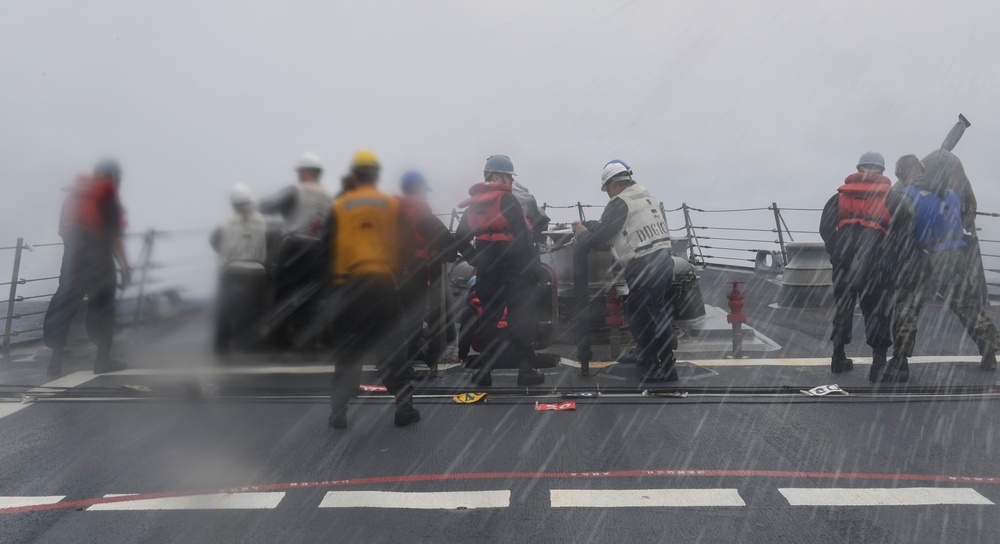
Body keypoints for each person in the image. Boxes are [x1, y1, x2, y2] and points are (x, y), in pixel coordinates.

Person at [321, 150, 420, 428]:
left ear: (354, 175)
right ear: (376, 176)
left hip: (348, 287)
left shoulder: (339, 207)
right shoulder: (390, 206)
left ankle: (338, 413)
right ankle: (404, 407)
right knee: (390, 349)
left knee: (348, 353)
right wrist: (395, 271)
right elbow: (408, 246)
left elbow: (325, 249)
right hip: (382, 286)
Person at [884, 149, 998, 381]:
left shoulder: (906, 196)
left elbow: (904, 230)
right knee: (967, 306)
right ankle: (988, 352)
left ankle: (900, 362)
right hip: (955, 256)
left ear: (902, 174)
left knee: (908, 307)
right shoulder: (951, 194)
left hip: (923, 256)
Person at [572, 159, 679, 383]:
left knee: (652, 313)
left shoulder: (619, 202)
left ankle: (667, 367)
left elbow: (600, 239)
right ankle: (646, 353)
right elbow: (612, 226)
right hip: (663, 260)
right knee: (638, 309)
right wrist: (590, 224)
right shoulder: (644, 195)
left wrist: (582, 232)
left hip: (644, 263)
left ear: (612, 185)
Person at [456, 159, 546, 387]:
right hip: (515, 270)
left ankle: (483, 373)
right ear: (497, 176)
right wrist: (535, 270)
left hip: (488, 270)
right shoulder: (508, 200)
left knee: (488, 319)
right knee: (522, 321)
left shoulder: (474, 205)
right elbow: (524, 239)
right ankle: (526, 371)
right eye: (508, 177)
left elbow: (460, 238)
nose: (511, 181)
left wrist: (476, 260)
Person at [43, 159, 131, 376]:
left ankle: (55, 362)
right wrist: (126, 266)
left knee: (65, 303)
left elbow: (63, 230)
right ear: (111, 176)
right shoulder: (107, 197)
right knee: (103, 306)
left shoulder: (72, 197)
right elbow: (114, 237)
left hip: (73, 258)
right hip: (98, 258)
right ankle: (103, 360)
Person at [818, 151, 897, 379]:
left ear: (859, 168)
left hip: (844, 262)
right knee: (877, 311)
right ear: (882, 171)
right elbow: (903, 231)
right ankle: (878, 364)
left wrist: (837, 253)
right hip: (877, 265)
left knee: (844, 308)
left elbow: (825, 228)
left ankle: (838, 357)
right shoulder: (892, 197)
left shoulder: (839, 196)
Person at [259, 152, 332, 348]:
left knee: (284, 293)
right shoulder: (328, 197)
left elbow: (268, 207)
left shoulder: (296, 190)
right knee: (312, 297)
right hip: (317, 250)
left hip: (294, 247)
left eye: (300, 171)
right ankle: (309, 341)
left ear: (307, 172)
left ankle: (280, 341)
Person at [396, 171, 454, 378]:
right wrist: (455, 249)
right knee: (414, 317)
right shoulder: (420, 208)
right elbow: (439, 233)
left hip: (396, 269)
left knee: (400, 317)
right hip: (416, 267)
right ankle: (404, 365)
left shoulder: (393, 208)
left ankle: (404, 358)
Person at [209, 184, 271, 354]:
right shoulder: (262, 223)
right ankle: (250, 345)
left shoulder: (224, 223)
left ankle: (222, 349)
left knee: (226, 310)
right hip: (257, 272)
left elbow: (214, 242)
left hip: (233, 271)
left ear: (232, 204)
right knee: (253, 311)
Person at [483, 155, 550, 244]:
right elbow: (523, 236)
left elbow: (461, 239)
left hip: (486, 253)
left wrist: (475, 257)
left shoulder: (476, 203)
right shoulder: (509, 201)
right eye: (509, 175)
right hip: (512, 252)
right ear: (495, 177)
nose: (512, 179)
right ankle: (540, 244)